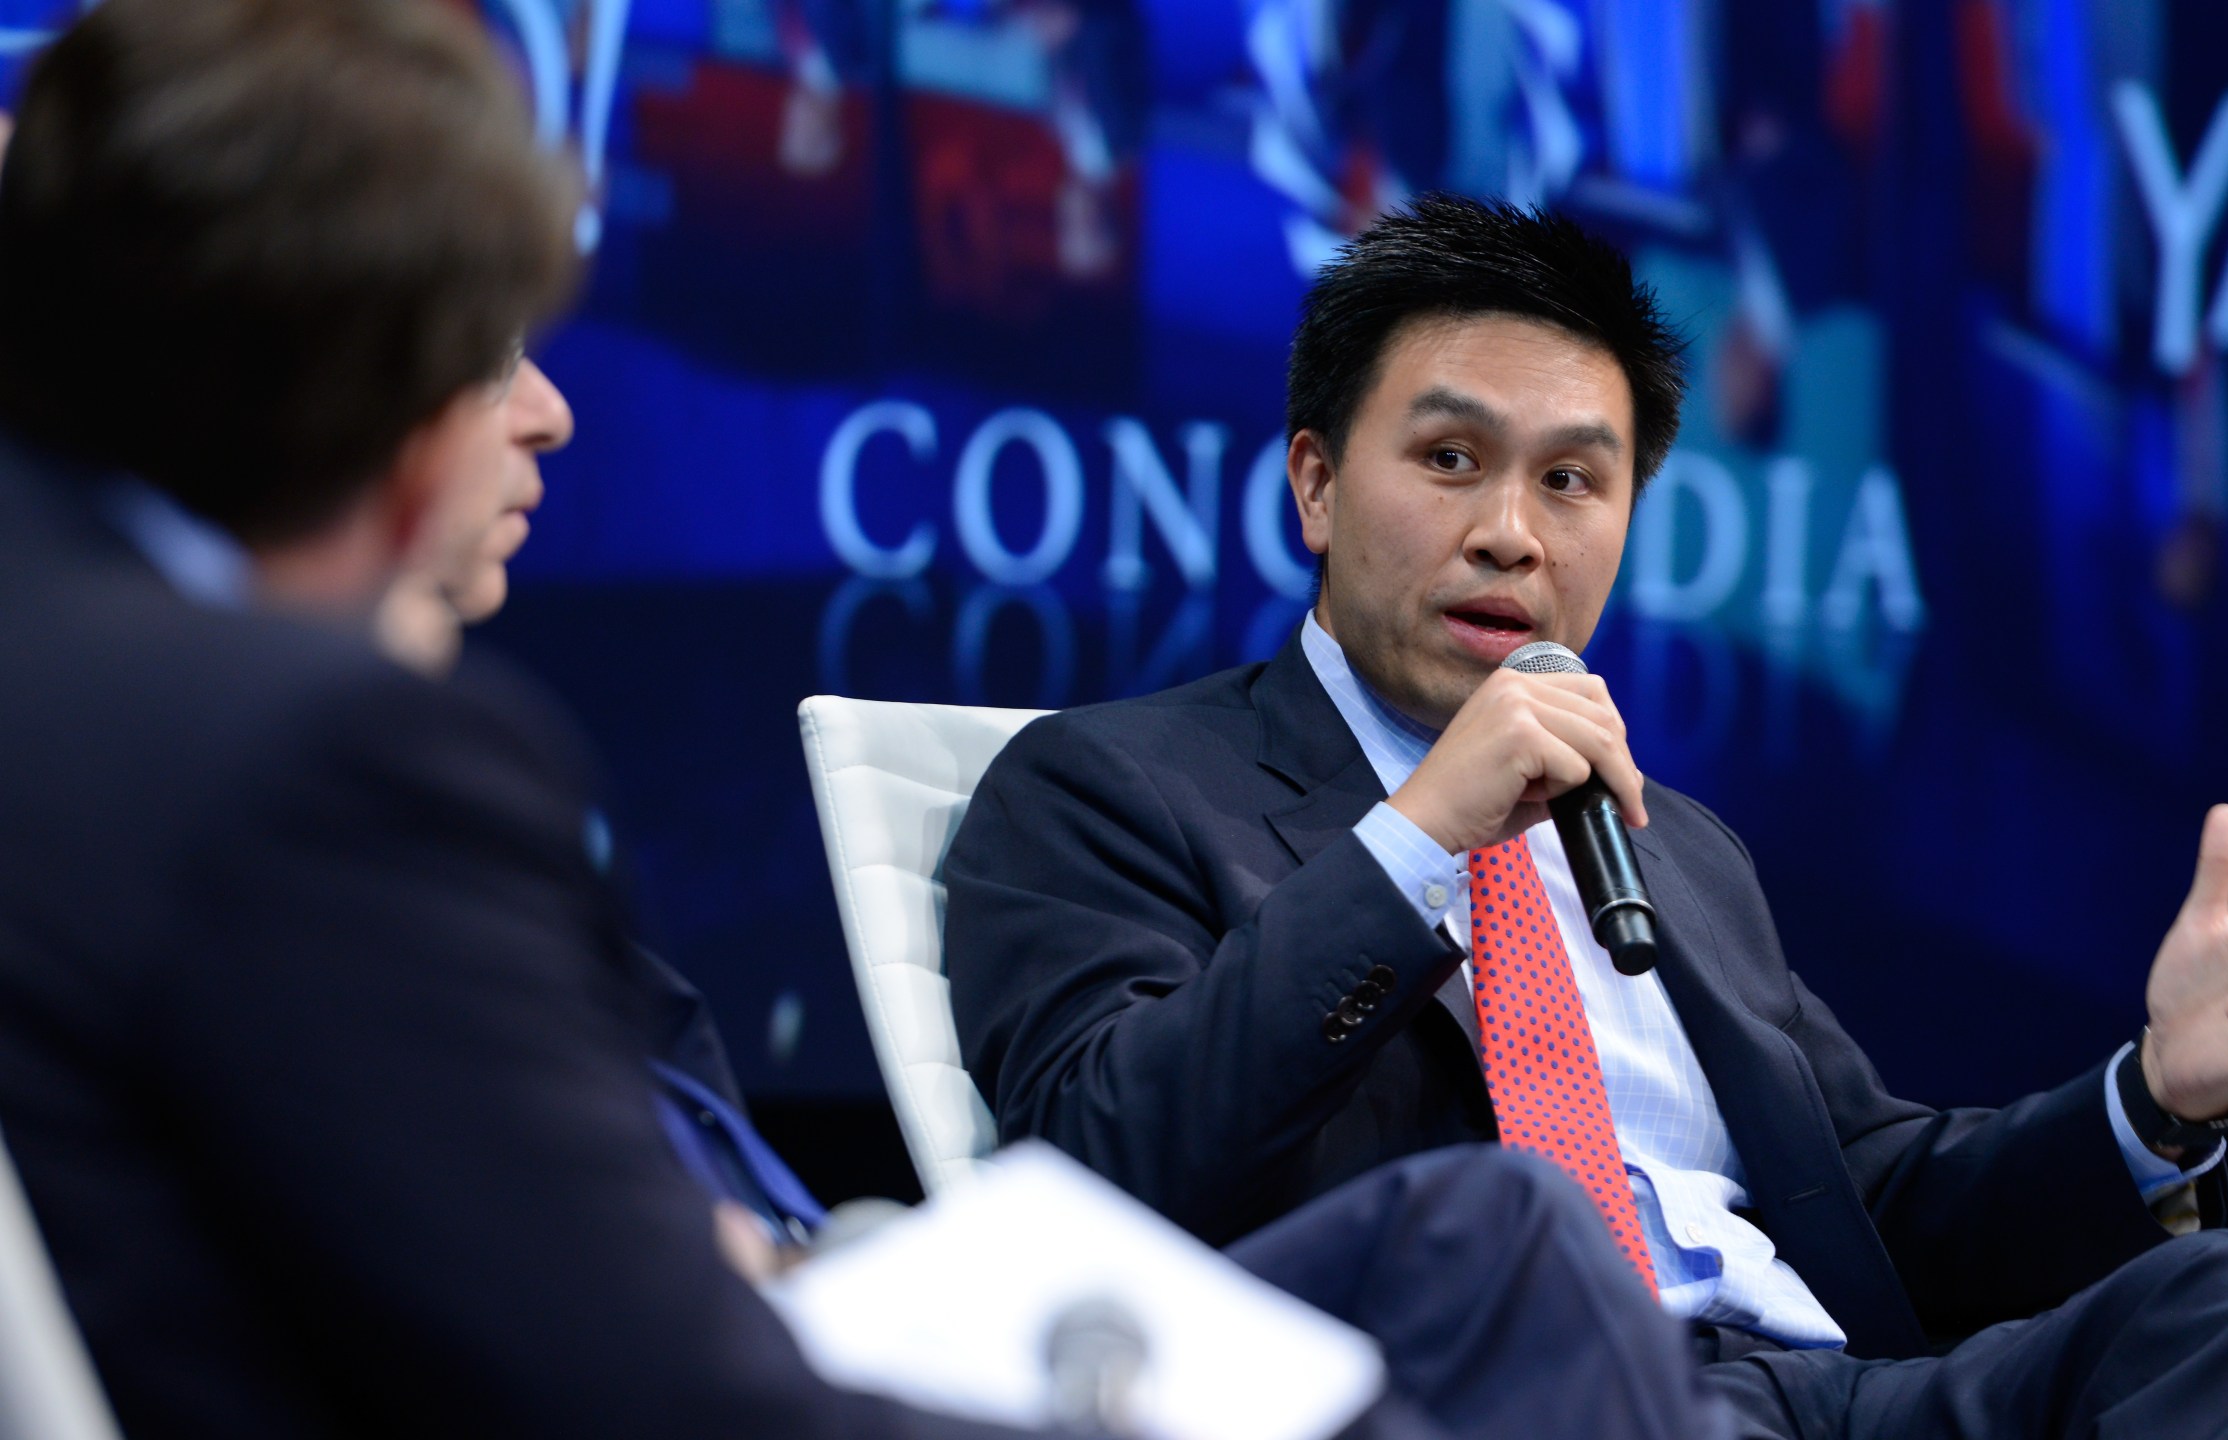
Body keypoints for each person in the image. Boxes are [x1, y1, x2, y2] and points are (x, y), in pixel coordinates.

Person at [0, 5, 1740, 1437]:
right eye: (488, 356)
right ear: (352, 384)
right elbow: (658, 1378)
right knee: (1487, 1269)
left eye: (1574, 481)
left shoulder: (106, 691)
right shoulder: (316, 762)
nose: (549, 418)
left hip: (792, 1284)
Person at [942, 195, 2228, 1437]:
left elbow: (1874, 1197)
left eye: (1572, 480)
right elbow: (1093, 1168)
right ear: (1316, 486)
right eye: (1450, 461)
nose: (1512, 533)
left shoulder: (1671, 849)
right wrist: (1419, 839)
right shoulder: (1108, 786)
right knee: (1531, 1224)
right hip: (1480, 1394)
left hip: (1818, 1393)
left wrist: (2153, 1100)